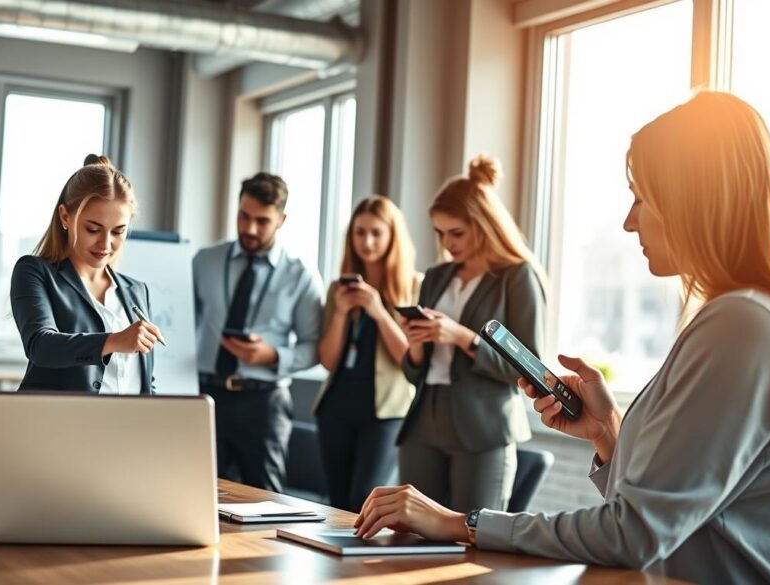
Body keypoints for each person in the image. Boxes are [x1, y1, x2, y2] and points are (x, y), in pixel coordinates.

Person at [354, 92, 770, 584]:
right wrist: (607, 432)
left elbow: (635, 534)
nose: (630, 221)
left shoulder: (742, 327)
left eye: (641, 198)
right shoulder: (744, 318)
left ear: (696, 199)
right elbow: (667, 512)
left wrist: (461, 523)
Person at [395, 155, 545, 513]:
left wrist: (462, 337)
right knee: (411, 534)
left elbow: (531, 369)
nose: (447, 243)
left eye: (456, 233)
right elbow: (415, 372)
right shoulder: (436, 276)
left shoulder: (517, 277)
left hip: (484, 427)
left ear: (484, 225)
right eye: (440, 233)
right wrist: (415, 346)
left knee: (473, 536)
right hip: (424, 422)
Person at [192, 172, 323, 492]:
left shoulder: (301, 275)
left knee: (266, 501)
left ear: (282, 220)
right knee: (196, 491)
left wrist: (273, 356)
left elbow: (314, 347)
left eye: (262, 221)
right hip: (206, 396)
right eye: (243, 216)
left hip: (265, 402)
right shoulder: (204, 261)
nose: (249, 228)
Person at [10, 154, 161, 394]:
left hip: (127, 428)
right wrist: (114, 341)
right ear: (65, 217)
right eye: (93, 229)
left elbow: (143, 380)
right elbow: (41, 346)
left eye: (118, 232)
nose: (105, 243)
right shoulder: (35, 272)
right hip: (61, 425)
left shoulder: (137, 291)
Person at [314, 195, 422, 512]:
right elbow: (328, 361)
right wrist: (340, 314)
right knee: (336, 503)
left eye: (376, 232)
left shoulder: (415, 286)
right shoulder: (339, 289)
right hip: (336, 408)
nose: (367, 241)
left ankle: (359, 562)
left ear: (392, 236)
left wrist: (378, 311)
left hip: (386, 412)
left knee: (365, 497)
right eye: (359, 232)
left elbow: (412, 361)